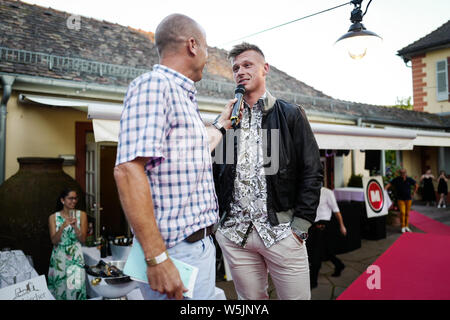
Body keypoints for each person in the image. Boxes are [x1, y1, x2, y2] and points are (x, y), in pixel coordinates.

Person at [113, 14, 238, 300]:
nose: (208, 57)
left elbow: (190, 154)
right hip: (175, 252)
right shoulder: (155, 86)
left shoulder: (180, 96)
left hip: (196, 248)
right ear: (192, 45)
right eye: (207, 48)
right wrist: (156, 258)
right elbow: (128, 170)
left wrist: (221, 124)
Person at [213, 43, 323, 300]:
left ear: (265, 69)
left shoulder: (290, 114)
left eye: (247, 65)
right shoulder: (229, 121)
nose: (240, 71)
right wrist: (219, 225)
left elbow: (312, 171)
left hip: (282, 233)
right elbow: (217, 173)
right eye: (236, 68)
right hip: (234, 235)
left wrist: (301, 226)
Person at [48, 188, 87, 300]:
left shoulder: (82, 215)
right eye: (70, 198)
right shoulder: (53, 217)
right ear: (62, 200)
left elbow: (83, 240)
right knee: (60, 288)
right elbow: (54, 241)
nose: (74, 201)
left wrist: (75, 227)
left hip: (75, 255)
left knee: (76, 288)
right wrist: (63, 227)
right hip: (59, 256)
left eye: (75, 198)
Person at [307, 187, 347, 289]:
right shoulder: (308, 190)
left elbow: (336, 210)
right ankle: (339, 265)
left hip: (323, 226)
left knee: (316, 255)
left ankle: (313, 282)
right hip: (311, 225)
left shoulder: (327, 192)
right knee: (325, 252)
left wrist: (342, 225)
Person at [385, 168, 419, 233]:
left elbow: (416, 185)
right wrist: (384, 189)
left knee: (407, 213)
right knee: (403, 213)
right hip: (400, 199)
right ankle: (403, 227)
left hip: (408, 199)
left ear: (406, 173)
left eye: (404, 173)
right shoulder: (397, 179)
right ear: (400, 173)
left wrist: (414, 193)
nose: (403, 174)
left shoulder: (409, 179)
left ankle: (407, 226)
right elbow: (389, 184)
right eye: (401, 173)